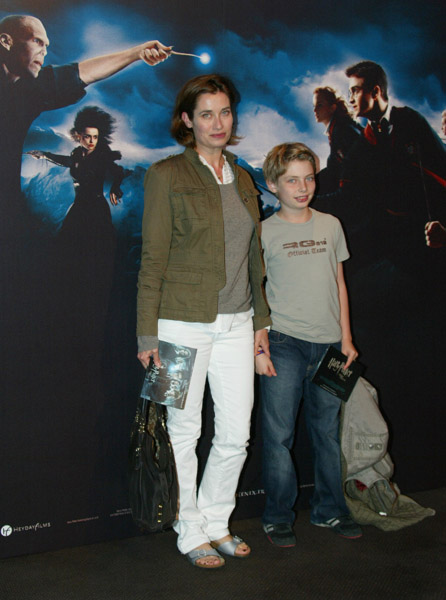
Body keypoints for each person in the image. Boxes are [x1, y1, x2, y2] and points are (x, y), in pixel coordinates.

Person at [136, 74, 271, 568]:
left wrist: (261, 320)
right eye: (207, 114)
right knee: (181, 433)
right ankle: (188, 527)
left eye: (226, 112)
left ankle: (217, 522)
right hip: (177, 325)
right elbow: (151, 259)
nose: (218, 123)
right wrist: (146, 334)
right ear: (188, 121)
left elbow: (254, 255)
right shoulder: (166, 174)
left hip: (238, 324)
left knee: (236, 433)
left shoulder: (242, 175)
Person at [256, 142, 362, 547]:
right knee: (279, 435)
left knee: (327, 434)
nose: (303, 187)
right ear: (273, 185)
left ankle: (330, 510)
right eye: (292, 180)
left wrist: (347, 339)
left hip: (331, 347)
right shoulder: (264, 231)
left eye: (309, 178)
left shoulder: (331, 225)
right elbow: (255, 291)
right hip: (283, 343)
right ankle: (277, 516)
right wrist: (260, 347)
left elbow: (340, 283)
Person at [0, 14, 170, 234]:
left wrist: (136, 53)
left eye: (47, 45)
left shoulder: (27, 91)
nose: (44, 51)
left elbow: (83, 73)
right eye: (37, 41)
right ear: (6, 41)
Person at [27, 106, 128, 342]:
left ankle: (92, 309)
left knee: (94, 257)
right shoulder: (77, 155)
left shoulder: (102, 156)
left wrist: (115, 188)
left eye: (95, 137)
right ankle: (67, 306)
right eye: (87, 137)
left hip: (95, 211)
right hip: (79, 209)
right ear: (78, 136)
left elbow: (118, 171)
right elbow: (68, 162)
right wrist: (44, 154)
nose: (92, 141)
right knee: (67, 252)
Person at [313, 86, 362, 193]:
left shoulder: (342, 131)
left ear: (332, 107)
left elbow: (353, 171)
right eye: (314, 106)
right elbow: (334, 169)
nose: (315, 110)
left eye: (319, 105)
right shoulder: (339, 128)